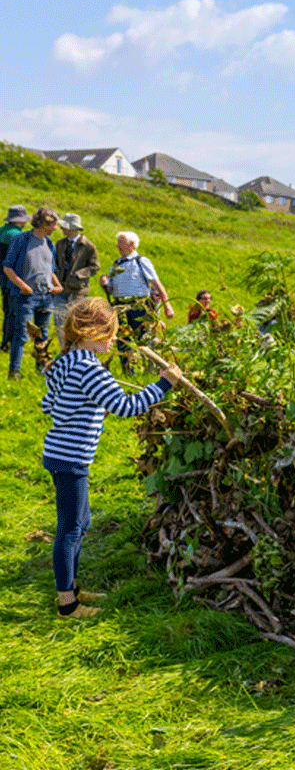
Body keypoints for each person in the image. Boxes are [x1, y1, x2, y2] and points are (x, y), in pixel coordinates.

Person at [42, 297, 181, 618]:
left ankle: (72, 586)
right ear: (90, 332)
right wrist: (164, 383)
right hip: (70, 457)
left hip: (60, 452)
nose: (115, 338)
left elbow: (49, 406)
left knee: (81, 522)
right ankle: (67, 604)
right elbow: (127, 407)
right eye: (111, 332)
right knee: (70, 527)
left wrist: (83, 407)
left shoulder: (64, 363)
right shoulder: (90, 370)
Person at [99, 231, 175, 374]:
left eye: (121, 242)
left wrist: (167, 306)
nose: (117, 245)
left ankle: (152, 371)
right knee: (122, 340)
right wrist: (104, 284)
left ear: (132, 244)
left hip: (139, 306)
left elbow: (157, 284)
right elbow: (110, 290)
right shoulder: (116, 264)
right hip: (120, 307)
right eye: (118, 242)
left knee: (145, 339)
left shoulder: (141, 261)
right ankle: (128, 372)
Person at [4, 207, 63, 379]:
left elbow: (49, 271)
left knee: (42, 336)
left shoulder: (49, 243)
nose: (56, 229)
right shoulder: (20, 240)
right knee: (22, 335)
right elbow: (7, 267)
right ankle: (14, 372)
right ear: (44, 223)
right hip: (25, 297)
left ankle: (41, 371)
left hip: (46, 296)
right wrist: (22, 286)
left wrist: (58, 285)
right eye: (54, 225)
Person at [52, 213, 101, 349]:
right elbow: (55, 263)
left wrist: (79, 275)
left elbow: (95, 266)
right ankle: (65, 350)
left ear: (73, 229)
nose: (62, 229)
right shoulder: (60, 243)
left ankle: (76, 350)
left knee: (75, 322)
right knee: (59, 321)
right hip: (61, 289)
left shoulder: (88, 246)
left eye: (65, 227)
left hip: (78, 291)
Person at [1, 204, 32, 353]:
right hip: (11, 276)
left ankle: (4, 342)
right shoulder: (17, 235)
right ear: (20, 221)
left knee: (7, 309)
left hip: (2, 276)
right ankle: (7, 343)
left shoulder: (2, 230)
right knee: (13, 312)